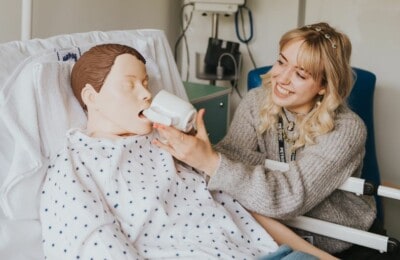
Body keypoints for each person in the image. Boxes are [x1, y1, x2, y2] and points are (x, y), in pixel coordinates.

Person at [39, 43, 336, 259]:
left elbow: (237, 203)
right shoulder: (78, 161)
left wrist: (206, 157)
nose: (146, 93)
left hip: (264, 251)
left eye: (145, 83)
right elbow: (91, 242)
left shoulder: (173, 142)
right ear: (92, 97)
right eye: (130, 86)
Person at [153, 22, 397, 259]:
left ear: (323, 86)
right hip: (272, 237)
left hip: (347, 243)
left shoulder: (347, 129)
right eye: (281, 61)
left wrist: (218, 162)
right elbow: (228, 166)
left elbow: (286, 198)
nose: (282, 78)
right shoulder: (256, 101)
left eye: (300, 74)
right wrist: (210, 157)